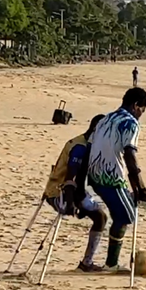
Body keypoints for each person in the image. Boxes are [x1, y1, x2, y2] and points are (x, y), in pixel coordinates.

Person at [83, 88, 146, 271]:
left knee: (122, 213)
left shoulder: (104, 119)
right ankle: (111, 264)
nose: (140, 115)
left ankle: (110, 262)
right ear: (136, 105)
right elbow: (130, 154)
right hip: (110, 177)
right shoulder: (129, 123)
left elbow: (89, 147)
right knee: (127, 215)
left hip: (94, 174)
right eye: (141, 111)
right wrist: (140, 186)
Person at [44, 115, 109, 272]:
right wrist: (72, 203)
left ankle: (87, 262)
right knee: (100, 217)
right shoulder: (80, 148)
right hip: (60, 192)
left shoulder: (86, 143)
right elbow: (70, 179)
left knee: (100, 216)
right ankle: (87, 263)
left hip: (67, 189)